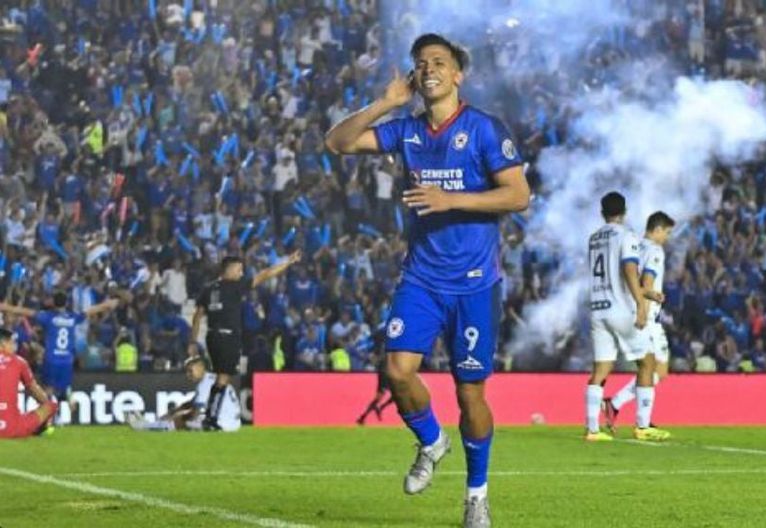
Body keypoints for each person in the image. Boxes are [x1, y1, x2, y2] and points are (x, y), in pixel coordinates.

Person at [325, 33, 529, 527]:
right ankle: (432, 442)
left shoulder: (484, 129)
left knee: (470, 395)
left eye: (439, 61)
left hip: (475, 284)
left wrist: (449, 199)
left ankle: (476, 496)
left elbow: (518, 195)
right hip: (421, 278)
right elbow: (338, 142)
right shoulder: (407, 131)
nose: (429, 68)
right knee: (397, 371)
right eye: (421, 63)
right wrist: (385, 104)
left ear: (458, 74)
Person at [584, 193, 669, 442]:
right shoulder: (627, 235)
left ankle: (592, 429)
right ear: (624, 211)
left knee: (601, 368)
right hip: (621, 309)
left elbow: (609, 273)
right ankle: (642, 426)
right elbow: (629, 270)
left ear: (603, 213)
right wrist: (641, 304)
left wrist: (648, 293)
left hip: (598, 308)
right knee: (648, 363)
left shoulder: (594, 238)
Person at [189, 251, 301, 430]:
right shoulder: (235, 286)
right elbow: (265, 274)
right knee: (223, 377)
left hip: (212, 336)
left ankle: (209, 415)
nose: (241, 274)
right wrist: (288, 262)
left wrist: (193, 341)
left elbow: (197, 316)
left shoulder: (208, 288)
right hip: (228, 336)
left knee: (220, 376)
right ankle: (210, 418)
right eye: (239, 269)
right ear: (229, 269)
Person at [603, 211, 676, 434]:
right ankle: (642, 423)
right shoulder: (655, 251)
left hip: (630, 313)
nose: (667, 238)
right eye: (667, 232)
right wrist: (645, 308)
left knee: (652, 369)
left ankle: (616, 405)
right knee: (655, 369)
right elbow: (647, 283)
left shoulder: (635, 247)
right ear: (657, 229)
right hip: (647, 317)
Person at [0, 292, 118, 422]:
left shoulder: (48, 317)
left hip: (51, 359)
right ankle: (68, 408)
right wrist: (107, 304)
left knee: (47, 390)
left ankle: (48, 419)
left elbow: (24, 311)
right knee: (64, 388)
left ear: (53, 303)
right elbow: (91, 310)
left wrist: (4, 307)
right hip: (67, 360)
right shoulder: (72, 317)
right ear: (66, 303)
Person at [126, 356, 240, 432]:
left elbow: (195, 412)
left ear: (201, 367)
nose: (188, 375)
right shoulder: (212, 379)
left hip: (223, 425)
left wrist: (179, 418)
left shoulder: (205, 384)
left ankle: (144, 427)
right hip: (233, 424)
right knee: (181, 415)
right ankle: (152, 424)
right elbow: (190, 404)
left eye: (191, 371)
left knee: (182, 419)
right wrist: (170, 413)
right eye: (187, 372)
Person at [0, 328, 58, 439]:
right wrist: (46, 406)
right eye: (12, 343)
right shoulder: (19, 361)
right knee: (51, 405)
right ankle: (36, 431)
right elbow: (34, 390)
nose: (14, 347)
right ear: (3, 344)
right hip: (12, 428)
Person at [356, 353, 395, 425]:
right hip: (385, 375)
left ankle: (363, 417)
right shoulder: (390, 355)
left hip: (386, 374)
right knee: (380, 398)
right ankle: (365, 416)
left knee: (395, 396)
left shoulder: (389, 355)